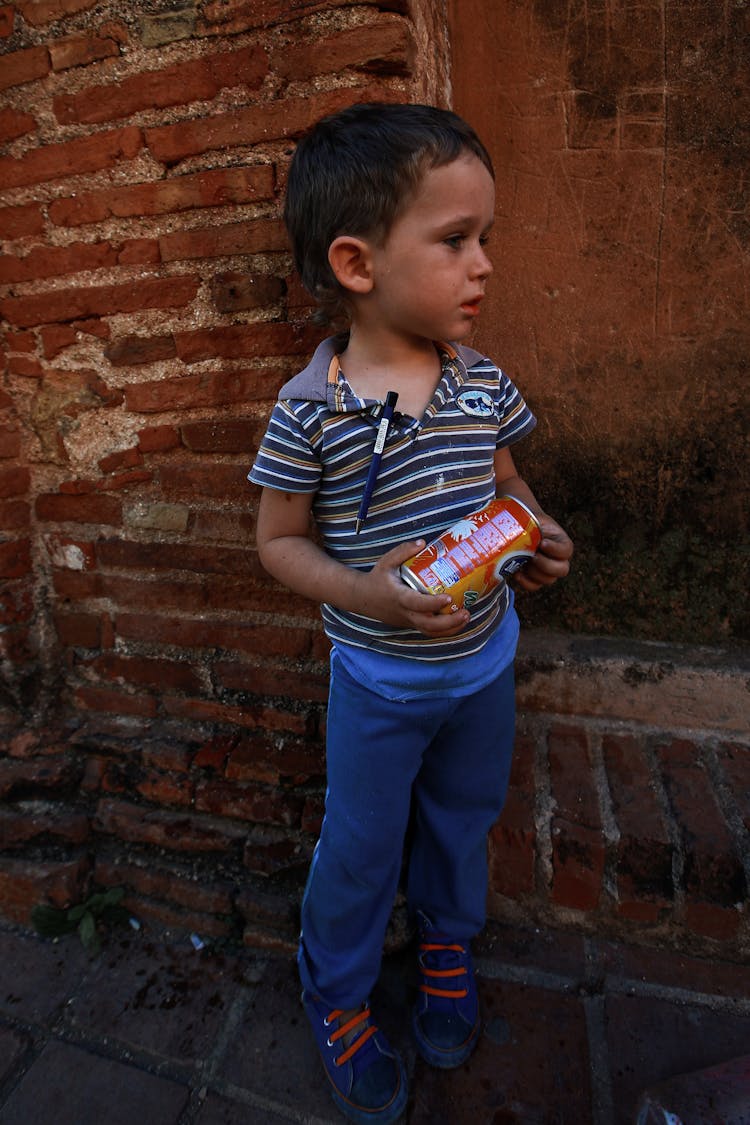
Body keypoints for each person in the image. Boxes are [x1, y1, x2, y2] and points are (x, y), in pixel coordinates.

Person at [249, 102, 573, 1124]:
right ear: (357, 262)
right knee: (361, 839)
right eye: (454, 241)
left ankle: (444, 945)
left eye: (487, 240)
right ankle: (337, 991)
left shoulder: (480, 384)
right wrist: (368, 592)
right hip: (380, 685)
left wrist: (534, 535)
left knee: (460, 820)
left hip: (482, 671)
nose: (483, 265)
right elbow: (277, 544)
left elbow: (509, 488)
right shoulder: (312, 410)